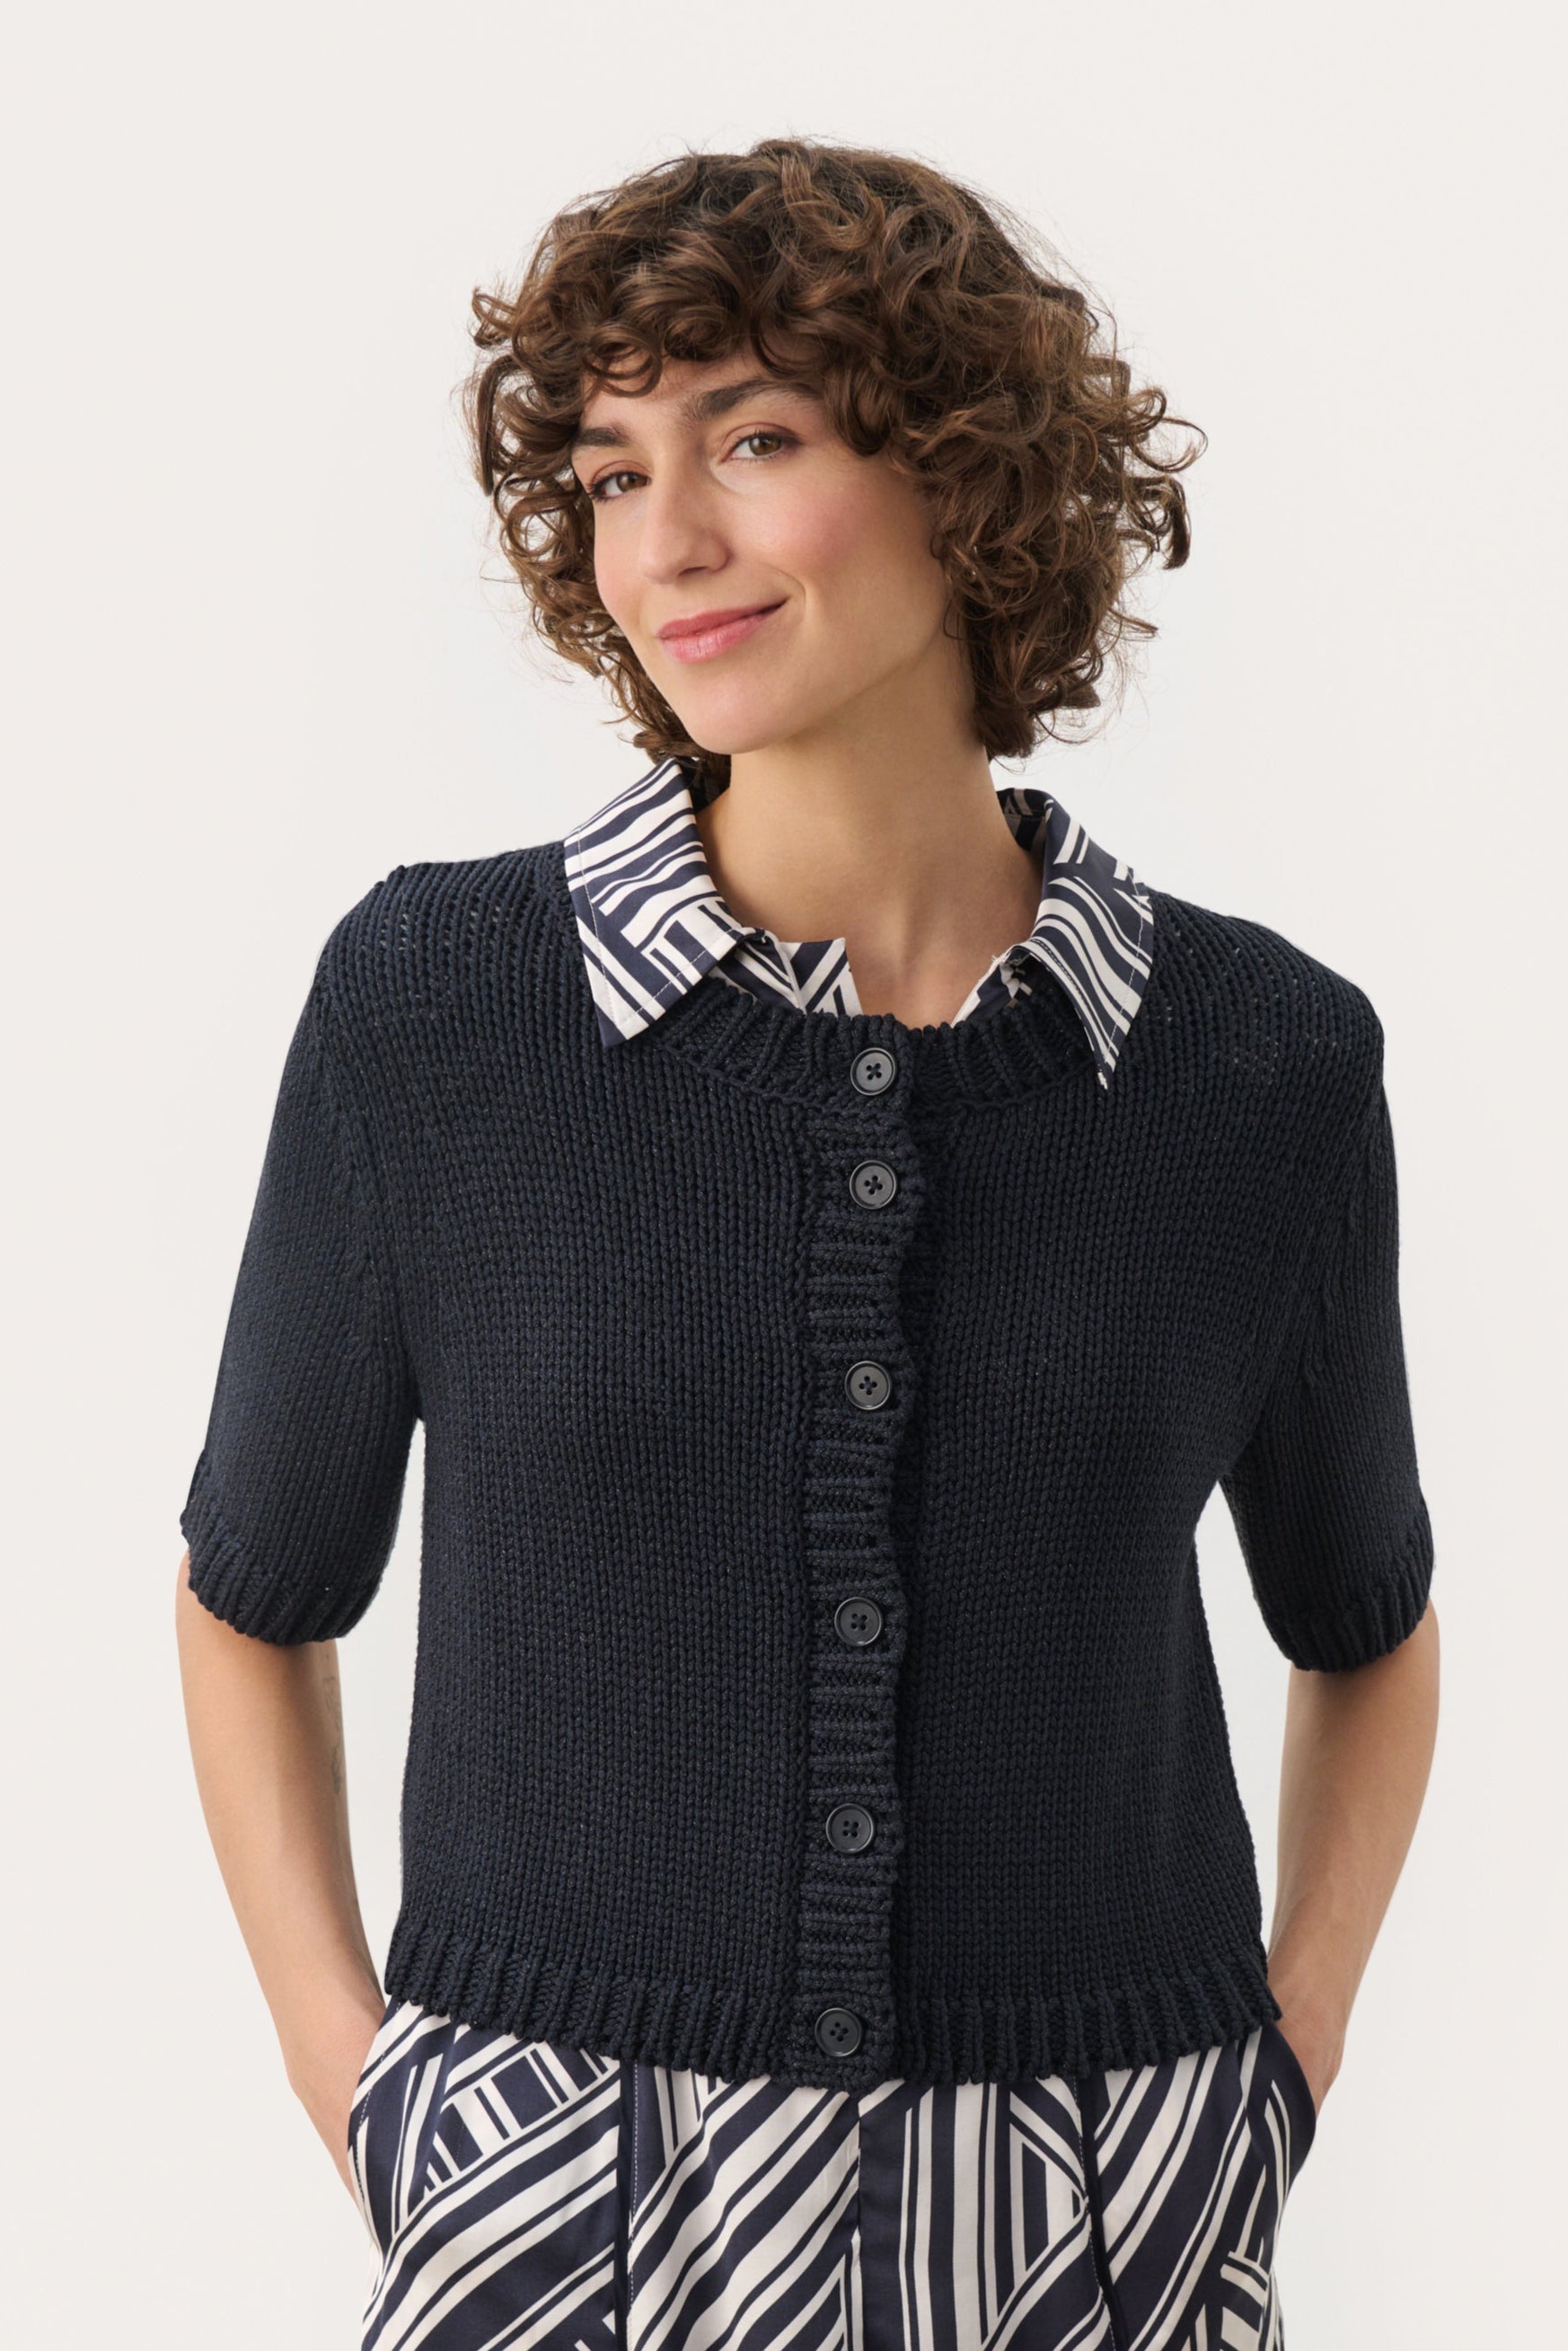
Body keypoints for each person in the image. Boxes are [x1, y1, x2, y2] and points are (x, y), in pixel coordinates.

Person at [174, 137, 1440, 2350]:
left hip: (1104, 2202)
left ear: (965, 472)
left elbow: (1368, 1622)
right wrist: (367, 2090)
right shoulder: (441, 1012)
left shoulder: (1262, 1066)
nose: (665, 541)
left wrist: (1283, 2060)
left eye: (752, 441)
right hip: (558, 2196)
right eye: (610, 472)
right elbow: (251, 1597)